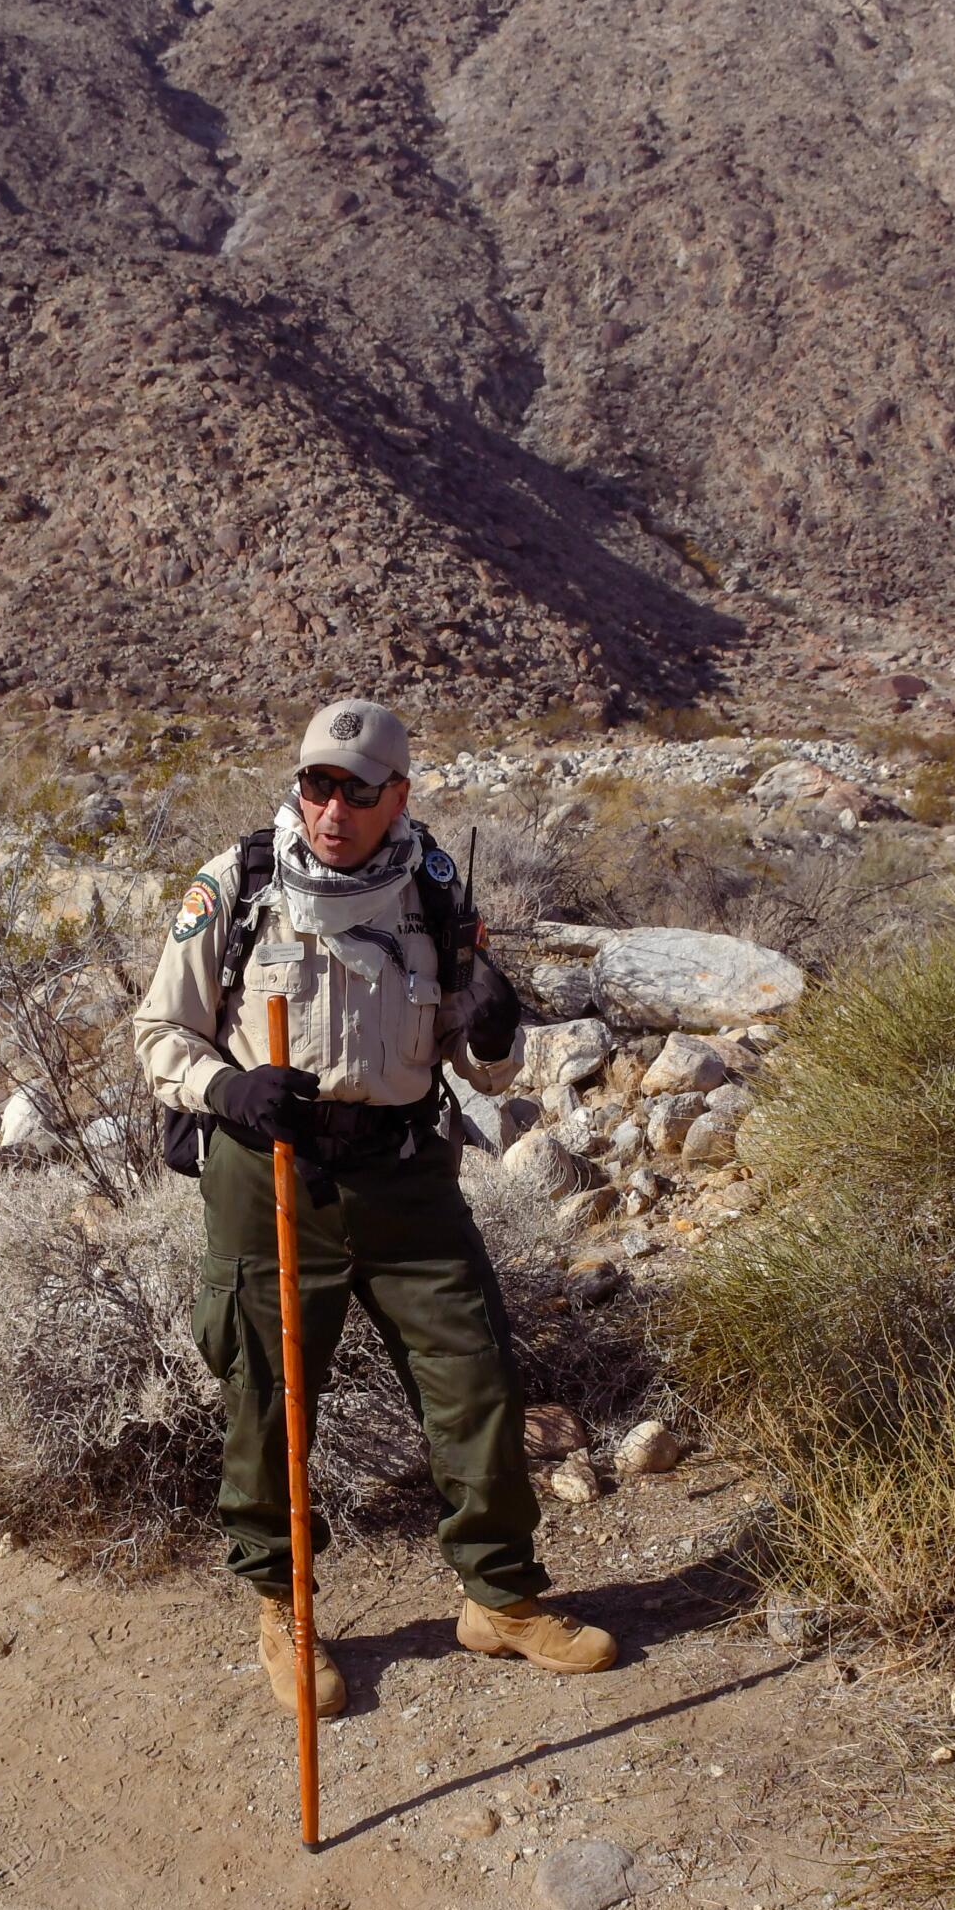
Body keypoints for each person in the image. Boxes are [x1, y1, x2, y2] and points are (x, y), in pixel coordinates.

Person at [136, 697, 618, 1713]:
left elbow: (482, 1073)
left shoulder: (431, 898)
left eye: (359, 791)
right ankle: (284, 1611)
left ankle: (500, 1600)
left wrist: (490, 1031)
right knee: (266, 1399)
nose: (333, 810)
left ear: (398, 794)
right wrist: (227, 1088)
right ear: (298, 785)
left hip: (404, 1179)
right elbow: (158, 1036)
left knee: (474, 1378)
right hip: (268, 1175)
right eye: (317, 784)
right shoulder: (235, 885)